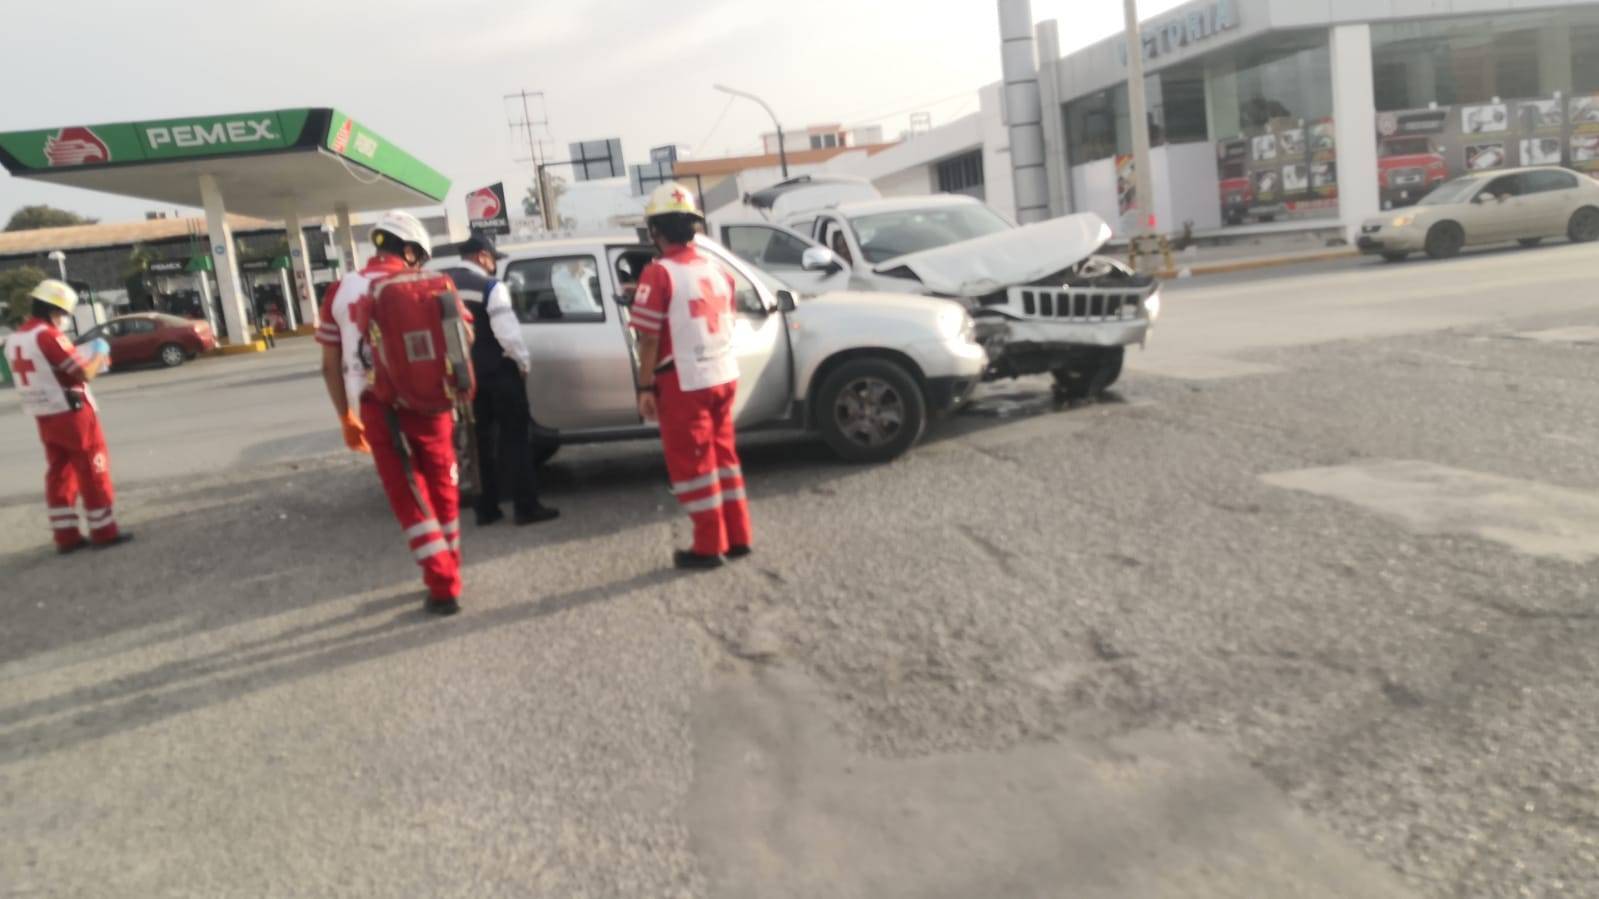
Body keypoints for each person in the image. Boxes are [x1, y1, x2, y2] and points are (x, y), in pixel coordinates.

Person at [317, 211, 467, 615]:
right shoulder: (433, 284)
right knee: (442, 486)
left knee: (407, 494)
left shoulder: (340, 289)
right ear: (410, 250)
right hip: (435, 402)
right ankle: (450, 566)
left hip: (377, 406)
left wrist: (345, 416)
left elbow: (329, 365)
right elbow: (461, 339)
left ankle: (442, 582)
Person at [629, 182, 753, 570]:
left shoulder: (658, 273)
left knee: (695, 466)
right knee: (724, 459)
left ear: (656, 231)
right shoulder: (716, 269)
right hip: (722, 374)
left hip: (684, 383)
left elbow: (648, 339)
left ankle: (707, 546)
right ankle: (738, 536)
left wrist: (645, 386)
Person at [4, 279, 133, 554]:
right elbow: (83, 373)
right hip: (72, 412)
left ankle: (66, 536)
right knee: (93, 469)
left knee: (59, 473)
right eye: (64, 313)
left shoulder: (16, 337)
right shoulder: (48, 335)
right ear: (55, 310)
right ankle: (104, 531)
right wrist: (100, 352)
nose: (64, 319)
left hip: (44, 413)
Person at [440, 233, 558, 528]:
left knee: (478, 443)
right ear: (482, 256)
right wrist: (523, 362)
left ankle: (486, 509)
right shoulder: (491, 287)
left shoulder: (441, 283)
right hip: (499, 373)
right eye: (493, 258)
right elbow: (507, 334)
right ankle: (525, 507)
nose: (494, 265)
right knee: (515, 440)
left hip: (464, 375)